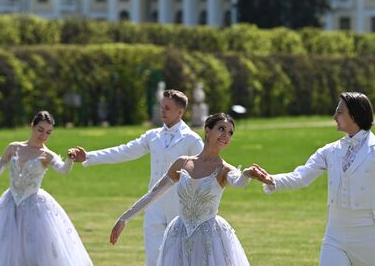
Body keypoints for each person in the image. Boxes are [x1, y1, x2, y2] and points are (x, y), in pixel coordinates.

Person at [250, 92, 375, 266]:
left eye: (339, 112)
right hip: (334, 234)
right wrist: (271, 179)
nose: (334, 116)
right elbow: (302, 176)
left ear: (354, 115)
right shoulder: (330, 151)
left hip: (367, 236)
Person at [109, 113, 272, 265]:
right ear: (207, 130)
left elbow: (239, 182)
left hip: (210, 237)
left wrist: (246, 174)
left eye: (230, 133)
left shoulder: (224, 169)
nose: (226, 135)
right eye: (221, 129)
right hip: (179, 234)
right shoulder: (183, 163)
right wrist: (124, 218)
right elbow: (153, 194)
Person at [69, 89, 204, 265]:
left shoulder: (192, 140)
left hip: (180, 205)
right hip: (153, 204)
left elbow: (206, 171)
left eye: (167, 108)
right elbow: (124, 151)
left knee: (181, 257)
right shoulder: (153, 136)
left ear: (180, 112)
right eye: (161, 107)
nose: (162, 111)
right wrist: (89, 156)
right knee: (154, 258)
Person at [0, 111, 93, 266]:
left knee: (34, 254)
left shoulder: (47, 155)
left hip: (34, 208)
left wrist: (70, 159)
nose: (43, 136)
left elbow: (63, 170)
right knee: (5, 252)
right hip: (10, 206)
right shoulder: (14, 148)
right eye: (40, 130)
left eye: (48, 133)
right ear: (32, 126)